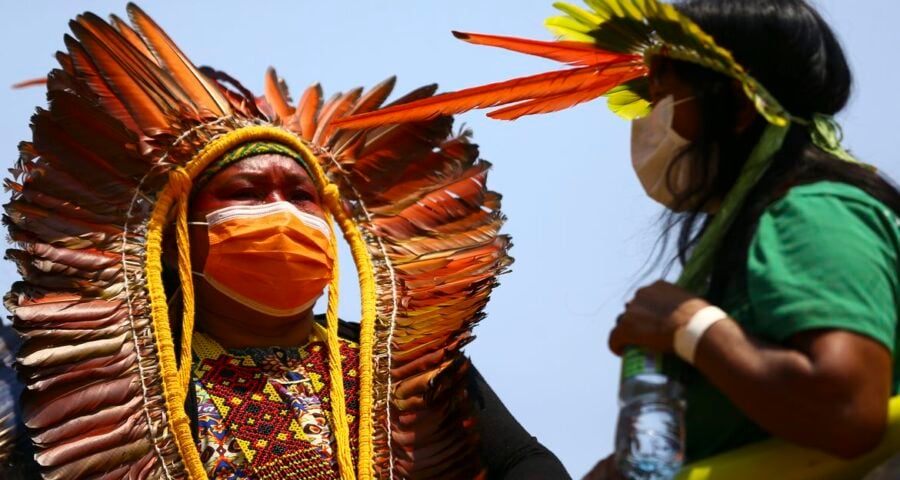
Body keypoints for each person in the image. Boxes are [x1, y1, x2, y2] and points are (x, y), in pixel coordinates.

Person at [0, 4, 569, 479]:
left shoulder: (407, 370)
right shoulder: (112, 386)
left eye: (302, 196)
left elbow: (525, 464)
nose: (282, 213)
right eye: (247, 193)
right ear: (176, 238)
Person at [334, 0, 900, 477]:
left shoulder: (815, 210)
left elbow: (848, 411)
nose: (648, 119)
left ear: (740, 108)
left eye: (661, 96)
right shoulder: (760, 225)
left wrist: (690, 327)